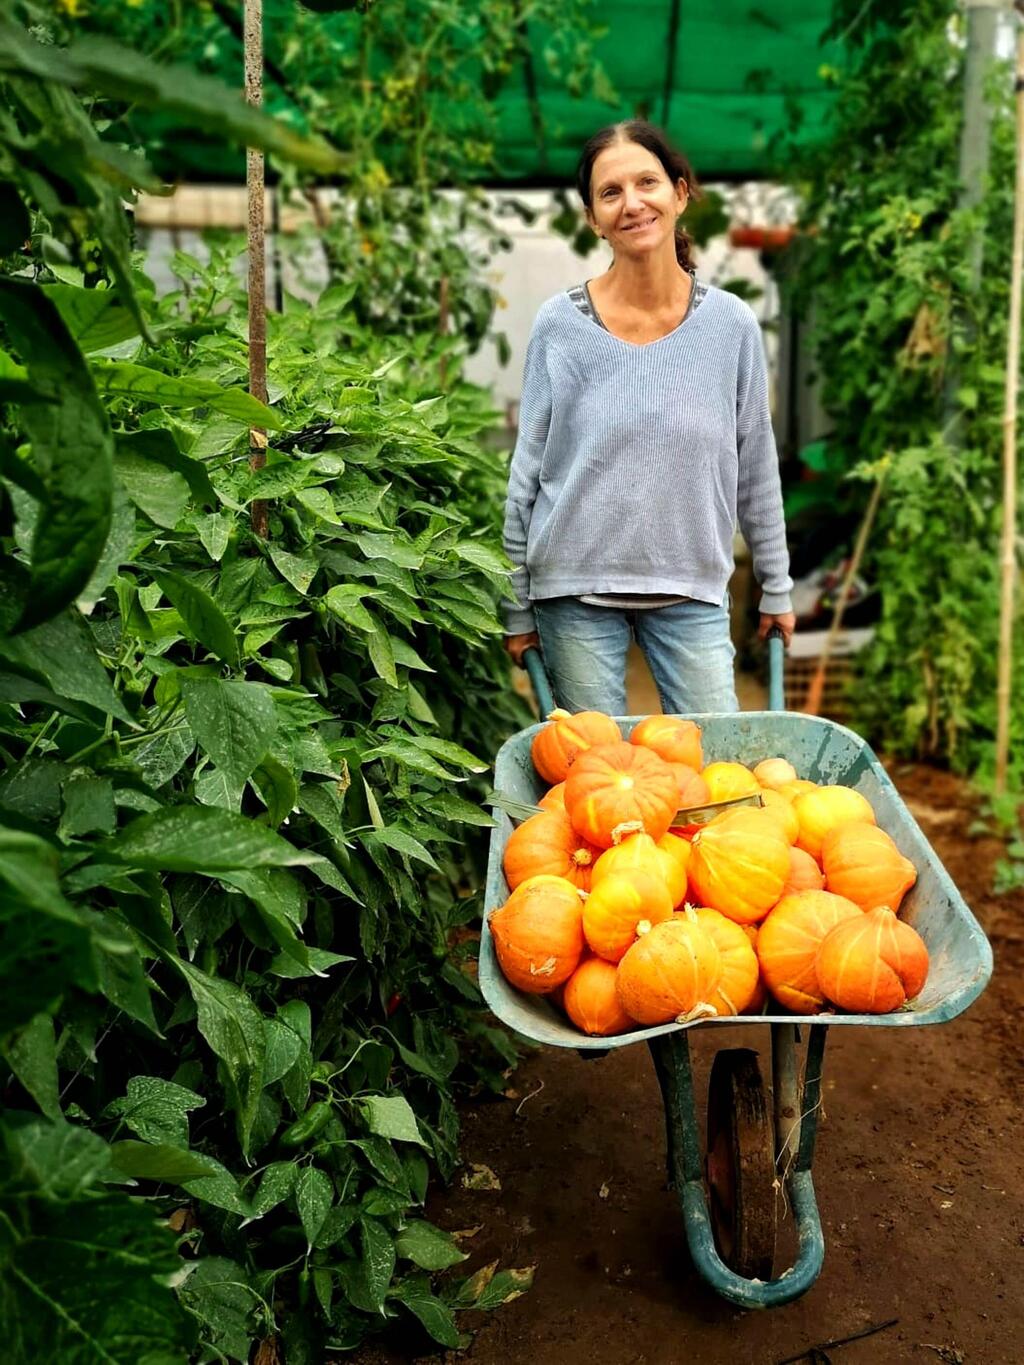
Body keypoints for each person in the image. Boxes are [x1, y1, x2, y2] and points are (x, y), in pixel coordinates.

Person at [501, 120, 795, 717]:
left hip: (692, 589)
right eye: (611, 193)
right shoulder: (561, 327)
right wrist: (517, 602)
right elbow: (526, 472)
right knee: (598, 781)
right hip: (573, 589)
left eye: (648, 183)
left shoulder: (731, 327)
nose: (632, 203)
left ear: (680, 193)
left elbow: (756, 469)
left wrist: (777, 585)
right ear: (592, 217)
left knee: (714, 776)